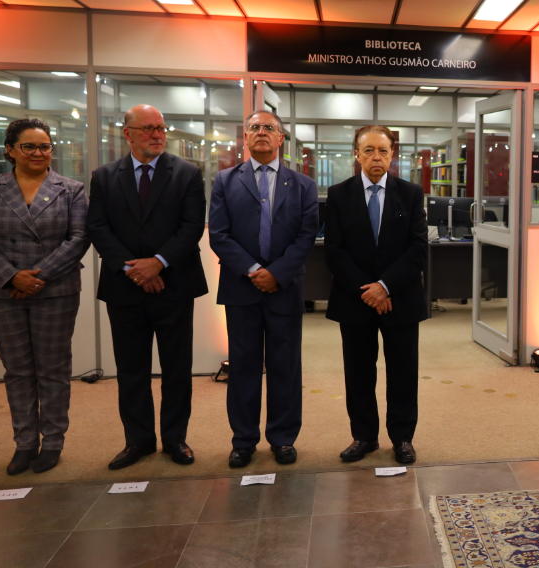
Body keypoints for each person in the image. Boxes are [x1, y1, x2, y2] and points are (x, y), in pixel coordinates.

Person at [87, 104, 208, 470]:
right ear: (128, 134)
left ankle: (175, 439)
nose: (157, 134)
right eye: (148, 129)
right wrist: (133, 267)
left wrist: (158, 263)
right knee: (131, 370)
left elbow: (191, 227)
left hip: (173, 285)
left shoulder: (187, 173)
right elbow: (98, 228)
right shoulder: (104, 176)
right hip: (124, 289)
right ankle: (138, 441)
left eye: (161, 127)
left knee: (176, 368)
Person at [0, 118, 89, 475]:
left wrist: (38, 277)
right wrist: (12, 276)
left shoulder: (71, 189)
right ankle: (24, 442)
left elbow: (78, 239)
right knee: (18, 370)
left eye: (45, 146)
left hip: (54, 290)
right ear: (10, 151)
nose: (39, 153)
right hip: (4, 290)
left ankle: (53, 441)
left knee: (54, 370)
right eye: (29, 146)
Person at [209, 111, 318, 468]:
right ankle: (243, 440)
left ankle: (283, 439)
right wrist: (255, 270)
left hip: (284, 289)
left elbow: (307, 236)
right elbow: (219, 235)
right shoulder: (225, 180)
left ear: (281, 138)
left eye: (269, 128)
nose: (261, 133)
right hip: (242, 288)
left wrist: (277, 273)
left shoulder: (302, 184)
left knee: (285, 367)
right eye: (254, 128)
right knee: (243, 366)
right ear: (245, 137)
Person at [325, 125, 428, 464]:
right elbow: (335, 252)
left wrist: (384, 287)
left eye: (383, 151)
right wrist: (368, 291)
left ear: (392, 154)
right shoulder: (338, 194)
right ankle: (364, 437)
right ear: (357, 155)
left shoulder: (411, 194)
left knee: (402, 372)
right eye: (368, 150)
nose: (376, 157)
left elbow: (417, 250)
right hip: (355, 300)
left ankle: (402, 439)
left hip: (399, 298)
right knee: (358, 373)